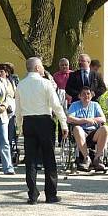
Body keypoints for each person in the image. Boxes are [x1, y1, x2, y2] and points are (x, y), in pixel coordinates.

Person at [16, 57, 69, 204]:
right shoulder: (45, 83)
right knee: (49, 158)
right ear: (38, 68)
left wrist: (19, 126)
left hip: (28, 122)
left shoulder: (20, 85)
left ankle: (32, 194)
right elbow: (56, 105)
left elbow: (18, 110)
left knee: (31, 160)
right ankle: (51, 194)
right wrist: (64, 124)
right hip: (44, 121)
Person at [67, 86, 108, 171]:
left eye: (88, 94)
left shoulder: (95, 105)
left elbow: (103, 119)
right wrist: (85, 120)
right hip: (81, 132)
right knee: (77, 129)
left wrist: (92, 120)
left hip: (93, 132)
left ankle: (97, 159)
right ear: (79, 96)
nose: (86, 96)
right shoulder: (74, 105)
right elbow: (69, 118)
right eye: (84, 94)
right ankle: (87, 159)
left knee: (105, 128)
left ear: (91, 95)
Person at [0, 64, 16, 174]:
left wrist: (4, 106)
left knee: (4, 140)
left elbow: (9, 96)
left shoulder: (5, 82)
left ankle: (8, 167)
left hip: (3, 114)